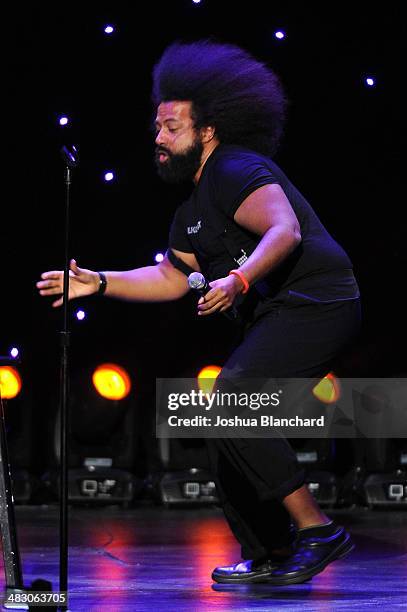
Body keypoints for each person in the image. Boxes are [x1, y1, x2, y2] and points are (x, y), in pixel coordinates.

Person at [37, 40, 361, 585]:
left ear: (207, 131)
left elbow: (286, 230)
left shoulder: (235, 168)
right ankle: (271, 550)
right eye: (157, 127)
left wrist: (238, 280)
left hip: (320, 302)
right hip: (278, 312)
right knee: (221, 417)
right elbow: (168, 278)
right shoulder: (190, 211)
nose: (158, 137)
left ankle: (318, 531)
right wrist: (100, 283)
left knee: (232, 394)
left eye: (171, 127)